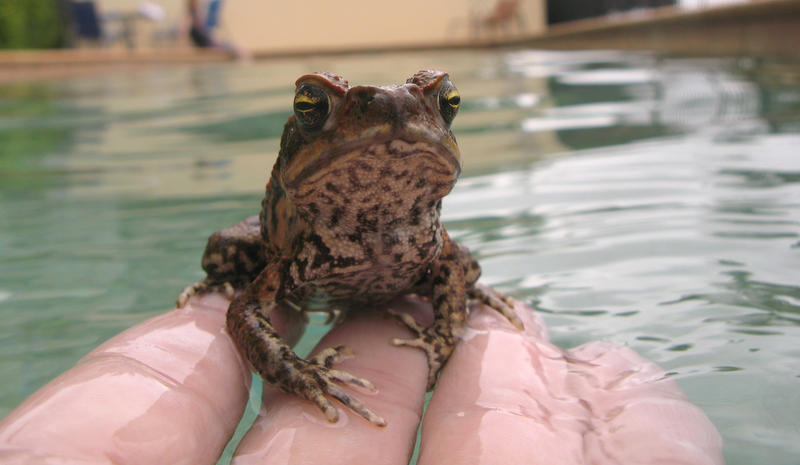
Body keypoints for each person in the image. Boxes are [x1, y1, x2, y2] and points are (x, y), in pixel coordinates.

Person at [0, 293, 724, 464]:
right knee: (234, 252)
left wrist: (448, 320)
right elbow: (250, 311)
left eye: (442, 106)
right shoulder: (295, 226)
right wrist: (297, 373)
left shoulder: (431, 239)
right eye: (317, 109)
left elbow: (452, 262)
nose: (400, 123)